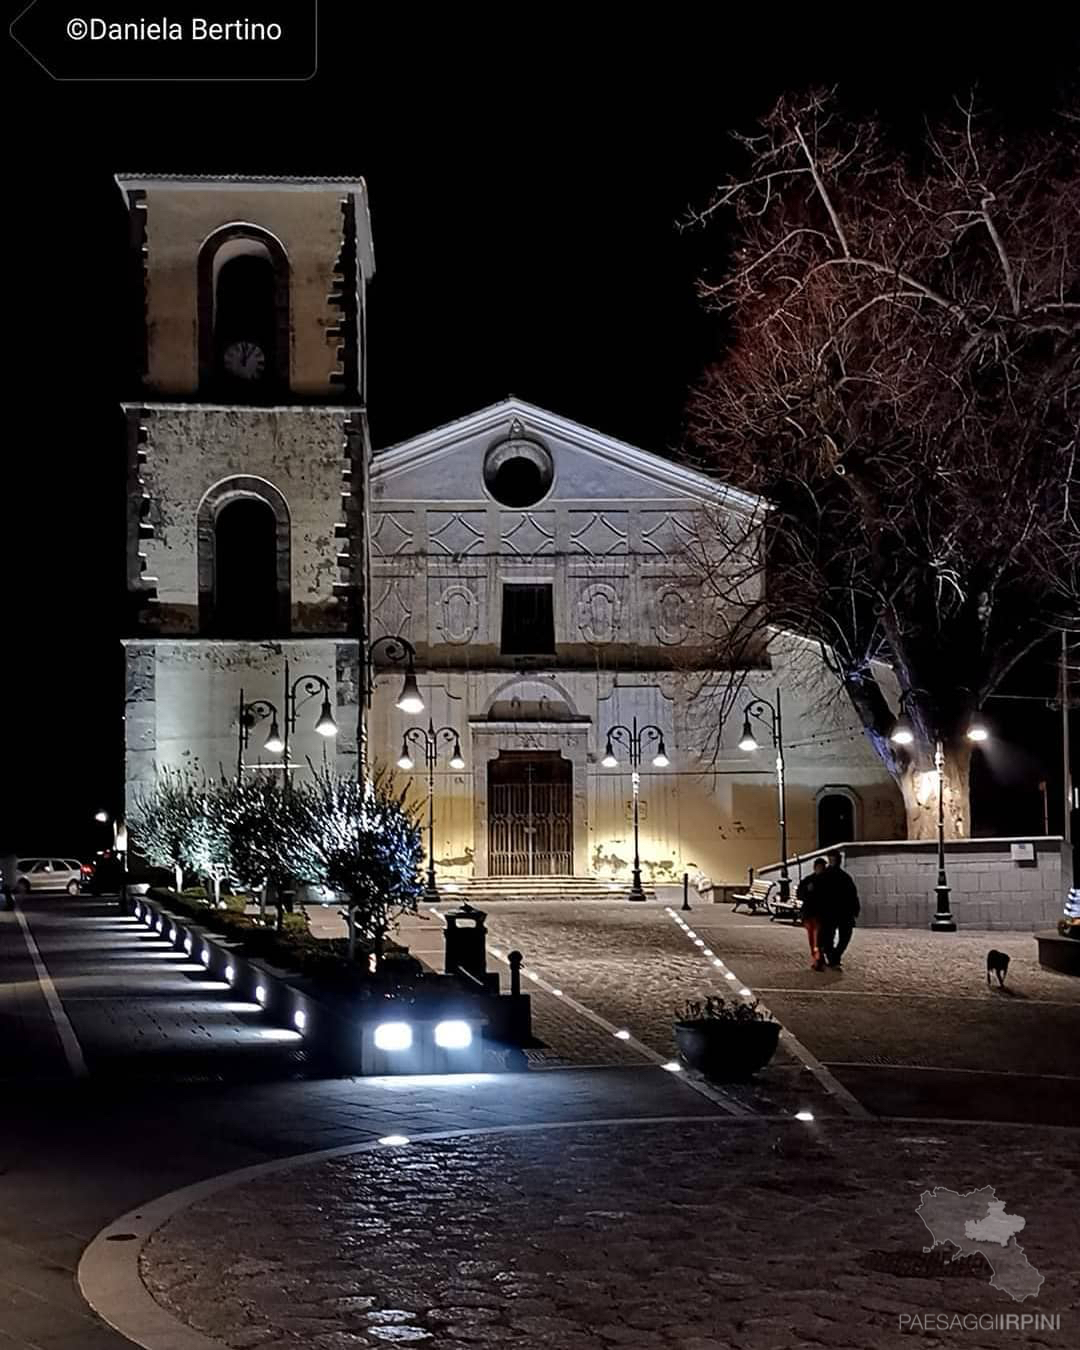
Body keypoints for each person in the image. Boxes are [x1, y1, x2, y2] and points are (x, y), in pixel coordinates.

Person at [818, 849, 860, 969]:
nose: (833, 861)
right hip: (829, 912)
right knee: (828, 937)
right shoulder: (824, 876)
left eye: (834, 859)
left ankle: (834, 956)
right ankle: (833, 957)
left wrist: (855, 909)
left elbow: (852, 895)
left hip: (843, 912)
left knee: (845, 936)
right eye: (831, 859)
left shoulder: (844, 877)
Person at [796, 857, 828, 970]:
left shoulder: (827, 881)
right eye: (819, 867)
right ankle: (817, 958)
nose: (821, 869)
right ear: (815, 868)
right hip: (809, 914)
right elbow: (800, 894)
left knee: (817, 938)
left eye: (822, 867)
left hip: (820, 915)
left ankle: (818, 959)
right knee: (812, 938)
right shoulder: (809, 880)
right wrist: (807, 890)